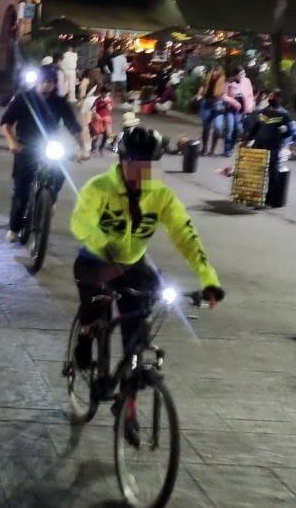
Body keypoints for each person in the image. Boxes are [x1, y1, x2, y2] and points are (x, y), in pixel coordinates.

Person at [69, 126, 224, 439]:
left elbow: (186, 235)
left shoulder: (161, 195)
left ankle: (128, 405)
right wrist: (104, 244)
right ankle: (85, 337)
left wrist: (208, 279)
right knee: (96, 305)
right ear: (123, 160)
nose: (143, 172)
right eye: (137, 164)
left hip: (133, 264)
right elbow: (80, 222)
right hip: (96, 260)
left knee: (138, 336)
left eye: (151, 165)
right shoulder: (99, 186)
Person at [0, 64, 86, 242]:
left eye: (51, 82)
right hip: (26, 147)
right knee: (21, 191)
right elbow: (6, 123)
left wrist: (83, 148)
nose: (48, 85)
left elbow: (75, 128)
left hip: (51, 145)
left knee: (60, 172)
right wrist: (12, 142)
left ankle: (49, 199)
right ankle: (14, 227)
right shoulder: (23, 98)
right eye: (44, 81)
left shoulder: (60, 102)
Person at [195, 68, 229, 157]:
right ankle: (204, 148)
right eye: (213, 71)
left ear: (220, 73)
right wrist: (199, 95)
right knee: (206, 127)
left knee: (218, 127)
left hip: (218, 106)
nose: (214, 73)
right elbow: (202, 88)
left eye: (216, 72)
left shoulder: (223, 82)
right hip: (206, 103)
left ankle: (212, 150)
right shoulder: (208, 79)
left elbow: (225, 94)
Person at [222, 66, 254, 156]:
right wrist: (233, 101)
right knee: (229, 128)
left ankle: (231, 146)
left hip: (241, 110)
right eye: (240, 74)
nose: (242, 75)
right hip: (230, 108)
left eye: (243, 73)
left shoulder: (246, 81)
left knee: (237, 129)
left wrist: (250, 106)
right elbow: (224, 96)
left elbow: (250, 95)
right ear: (235, 75)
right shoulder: (229, 82)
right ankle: (227, 149)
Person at [89, 87, 114, 156]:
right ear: (102, 92)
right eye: (105, 92)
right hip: (97, 118)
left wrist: (107, 102)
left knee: (106, 135)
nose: (107, 94)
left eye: (108, 92)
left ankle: (101, 148)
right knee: (96, 134)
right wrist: (96, 114)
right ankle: (93, 148)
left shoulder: (109, 100)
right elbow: (92, 108)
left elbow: (110, 109)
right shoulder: (98, 99)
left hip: (106, 119)